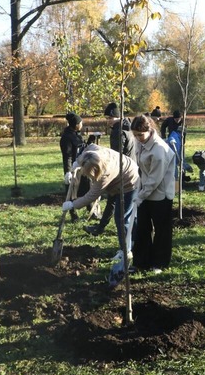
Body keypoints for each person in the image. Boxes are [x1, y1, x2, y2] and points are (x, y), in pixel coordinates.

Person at [61, 144, 140, 285]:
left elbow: (91, 195)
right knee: (126, 216)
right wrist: (73, 167)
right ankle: (132, 241)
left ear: (96, 170)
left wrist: (73, 204)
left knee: (122, 218)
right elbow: (84, 152)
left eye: (88, 174)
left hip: (129, 181)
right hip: (120, 173)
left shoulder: (105, 174)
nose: (86, 175)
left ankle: (126, 250)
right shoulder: (92, 151)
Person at [130, 115, 176, 272]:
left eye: (139, 135)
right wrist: (139, 190)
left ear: (149, 130)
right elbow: (142, 170)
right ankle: (141, 262)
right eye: (134, 135)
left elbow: (155, 178)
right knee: (142, 228)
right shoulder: (140, 143)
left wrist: (140, 196)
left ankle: (159, 263)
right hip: (145, 191)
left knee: (161, 230)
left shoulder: (159, 150)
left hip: (161, 194)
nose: (137, 138)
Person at [83, 117, 136, 237]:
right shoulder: (127, 128)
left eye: (110, 117)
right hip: (128, 169)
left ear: (119, 117)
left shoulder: (119, 132)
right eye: (107, 117)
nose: (108, 120)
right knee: (116, 202)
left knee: (116, 204)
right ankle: (103, 227)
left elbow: (117, 154)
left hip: (122, 172)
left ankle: (106, 230)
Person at [60, 112, 90, 221]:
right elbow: (67, 156)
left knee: (87, 187)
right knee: (72, 191)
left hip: (82, 166)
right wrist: (68, 171)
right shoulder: (67, 137)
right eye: (80, 122)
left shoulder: (77, 134)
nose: (82, 124)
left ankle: (90, 209)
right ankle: (73, 215)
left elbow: (81, 148)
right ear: (76, 124)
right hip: (73, 168)